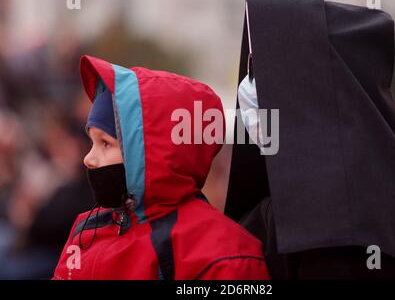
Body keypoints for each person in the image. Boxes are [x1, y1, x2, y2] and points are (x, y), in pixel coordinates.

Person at [225, 0, 395, 279]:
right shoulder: (392, 192)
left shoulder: (328, 222)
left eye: (262, 71)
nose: (248, 86)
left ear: (310, 89)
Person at [53, 55, 270, 280]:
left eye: (106, 143)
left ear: (151, 149)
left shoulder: (225, 253)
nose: (88, 158)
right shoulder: (88, 228)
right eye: (92, 142)